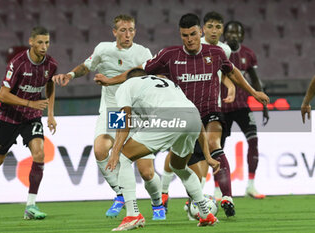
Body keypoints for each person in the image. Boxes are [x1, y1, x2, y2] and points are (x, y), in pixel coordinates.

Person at [94, 13, 270, 218]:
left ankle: (134, 211)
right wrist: (110, 80)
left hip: (199, 114)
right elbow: (138, 73)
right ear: (180, 35)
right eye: (185, 35)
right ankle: (195, 208)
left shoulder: (217, 52)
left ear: (200, 32)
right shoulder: (168, 57)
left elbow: (232, 73)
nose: (190, 39)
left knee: (128, 157)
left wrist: (253, 92)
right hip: (187, 116)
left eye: (193, 34)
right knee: (178, 164)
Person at [52, 15, 165, 220]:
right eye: (123, 30)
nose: (127, 34)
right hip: (114, 110)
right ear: (114, 32)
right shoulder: (103, 49)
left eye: (131, 29)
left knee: (147, 172)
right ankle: (120, 193)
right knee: (100, 149)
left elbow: (140, 75)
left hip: (138, 113)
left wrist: (110, 81)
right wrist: (69, 75)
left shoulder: (143, 53)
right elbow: (86, 66)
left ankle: (157, 203)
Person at [106, 68, 220, 231]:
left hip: (168, 117)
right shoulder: (168, 84)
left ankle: (133, 215)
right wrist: (207, 156)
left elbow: (124, 116)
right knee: (179, 167)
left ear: (128, 79)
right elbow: (197, 120)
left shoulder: (126, 85)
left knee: (123, 158)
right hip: (193, 117)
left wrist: (116, 151)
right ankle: (205, 214)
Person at [0, 26, 57, 221]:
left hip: (31, 117)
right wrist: (30, 102)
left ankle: (30, 206)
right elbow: (2, 95)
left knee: (40, 153)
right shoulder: (18, 64)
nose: (44, 46)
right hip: (9, 118)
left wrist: (50, 114)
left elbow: (50, 84)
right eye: (40, 42)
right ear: (31, 42)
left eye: (47, 42)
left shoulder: (51, 64)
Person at [160, 12, 235, 214]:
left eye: (217, 27)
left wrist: (231, 86)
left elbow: (224, 72)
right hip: (185, 112)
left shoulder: (222, 50)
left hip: (211, 108)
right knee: (180, 157)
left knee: (212, 148)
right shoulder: (189, 47)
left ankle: (217, 198)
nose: (213, 31)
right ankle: (165, 192)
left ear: (221, 29)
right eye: (210, 26)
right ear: (204, 29)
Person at [220, 20, 270, 199]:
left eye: (237, 33)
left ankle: (250, 185)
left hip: (242, 105)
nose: (234, 35)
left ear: (242, 35)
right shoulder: (219, 51)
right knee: (218, 148)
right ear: (225, 35)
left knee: (254, 141)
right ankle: (218, 189)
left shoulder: (248, 54)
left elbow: (255, 80)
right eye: (230, 32)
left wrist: (263, 105)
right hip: (222, 106)